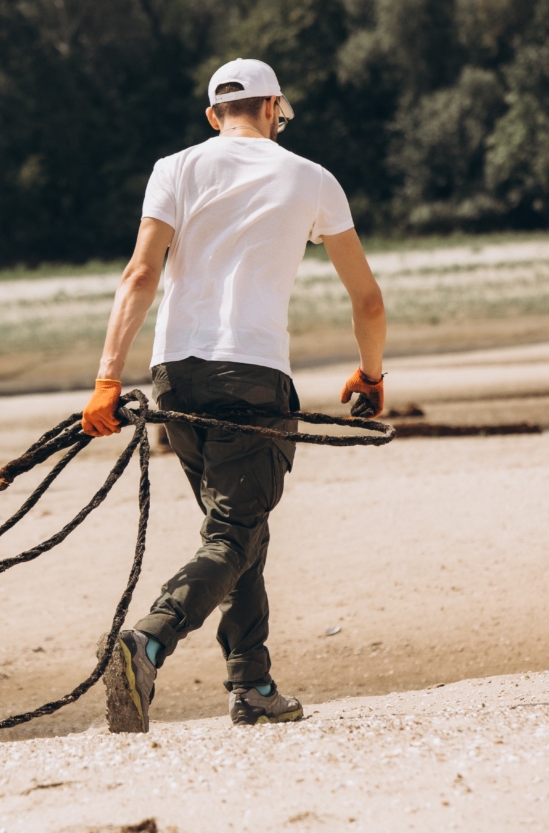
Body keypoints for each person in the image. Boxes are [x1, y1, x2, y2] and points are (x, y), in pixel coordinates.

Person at [82, 59, 387, 731]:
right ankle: (149, 641)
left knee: (240, 528)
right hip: (251, 376)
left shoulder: (175, 167)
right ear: (274, 107)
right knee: (234, 531)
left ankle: (252, 682)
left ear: (214, 115)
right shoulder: (311, 178)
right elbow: (367, 298)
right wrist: (371, 376)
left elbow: (140, 273)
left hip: (176, 376)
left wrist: (108, 378)